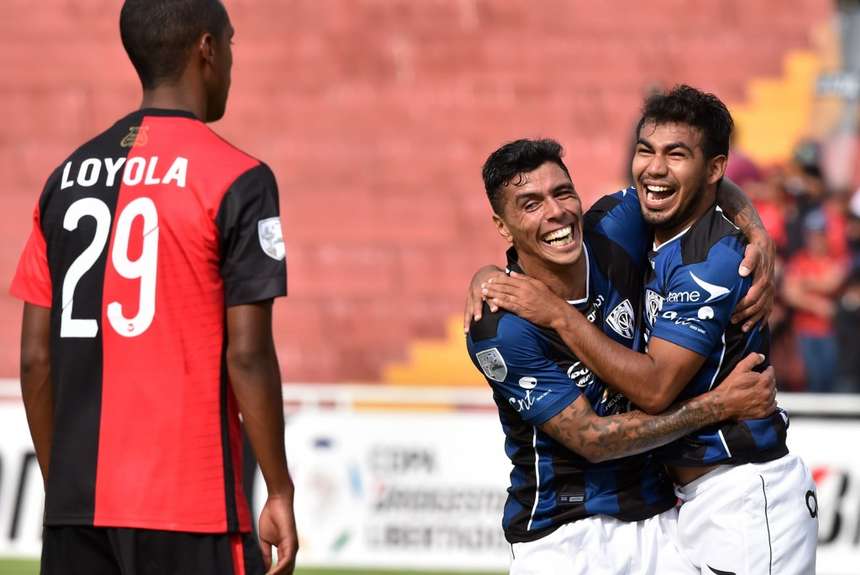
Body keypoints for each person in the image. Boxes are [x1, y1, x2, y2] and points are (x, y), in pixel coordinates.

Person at [10, 1, 297, 573]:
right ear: (206, 50)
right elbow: (247, 354)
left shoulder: (64, 179)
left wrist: (65, 486)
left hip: (76, 511)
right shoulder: (239, 179)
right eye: (231, 45)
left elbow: (35, 359)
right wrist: (280, 491)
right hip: (190, 507)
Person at [481, 86, 818, 574]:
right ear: (503, 226)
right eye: (645, 151)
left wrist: (758, 232)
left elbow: (657, 387)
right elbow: (592, 439)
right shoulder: (505, 324)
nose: (555, 212)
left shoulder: (698, 255)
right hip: (570, 534)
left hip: (734, 496)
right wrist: (487, 277)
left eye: (562, 193)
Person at [783, 209, 849, 392]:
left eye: (820, 234)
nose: (816, 239)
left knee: (829, 378)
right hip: (804, 330)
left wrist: (804, 284)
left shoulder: (834, 259)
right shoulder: (799, 260)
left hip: (829, 330)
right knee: (810, 380)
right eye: (812, 234)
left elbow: (832, 283)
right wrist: (818, 304)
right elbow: (790, 294)